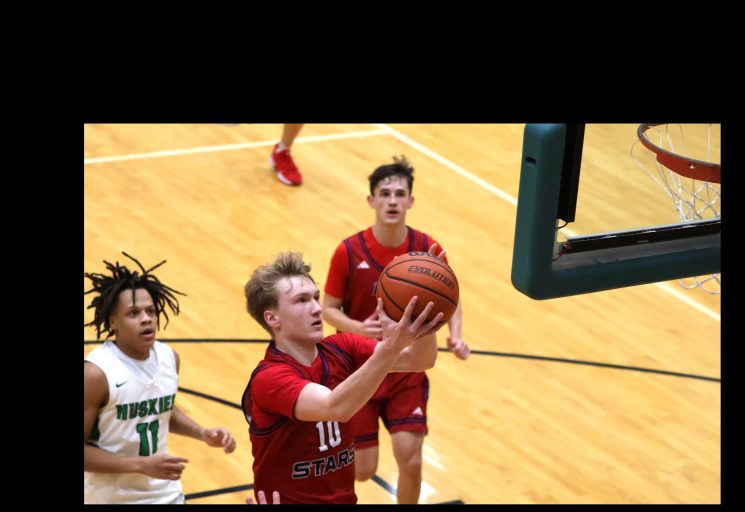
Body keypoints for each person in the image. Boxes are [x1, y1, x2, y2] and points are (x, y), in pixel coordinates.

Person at [241, 250, 445, 504]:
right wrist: (390, 348)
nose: (317, 308)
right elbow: (335, 407)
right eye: (302, 301)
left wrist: (425, 310)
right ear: (272, 318)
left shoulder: (343, 347)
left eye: (316, 298)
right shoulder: (270, 378)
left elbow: (418, 360)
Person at [322, 155, 471, 504]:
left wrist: (456, 334)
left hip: (406, 368)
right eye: (385, 194)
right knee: (362, 469)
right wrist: (358, 327)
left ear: (411, 201)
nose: (392, 201)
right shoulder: (348, 251)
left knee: (412, 460)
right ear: (371, 200)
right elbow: (328, 308)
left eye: (399, 194)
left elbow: (450, 296)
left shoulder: (426, 250)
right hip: (362, 369)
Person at [84, 252, 237, 504]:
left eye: (150, 311)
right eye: (133, 313)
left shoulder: (169, 357)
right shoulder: (96, 374)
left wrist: (202, 433)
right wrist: (140, 465)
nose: (146, 319)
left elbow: (161, 409)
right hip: (110, 499)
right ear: (113, 323)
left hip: (167, 495)